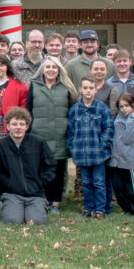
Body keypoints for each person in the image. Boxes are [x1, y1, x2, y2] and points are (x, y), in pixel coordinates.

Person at [27, 56, 76, 214]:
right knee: (39, 171)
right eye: (47, 67)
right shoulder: (34, 85)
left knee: (58, 172)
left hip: (60, 135)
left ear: (59, 70)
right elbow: (28, 111)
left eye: (54, 67)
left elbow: (72, 112)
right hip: (38, 136)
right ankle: (41, 201)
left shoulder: (66, 87)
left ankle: (55, 203)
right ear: (42, 69)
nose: (50, 70)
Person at [0, 107, 56, 225]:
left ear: (27, 126)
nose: (18, 127)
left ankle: (38, 207)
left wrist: (41, 182)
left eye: (22, 124)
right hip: (12, 194)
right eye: (14, 124)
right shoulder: (0, 145)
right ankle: (12, 208)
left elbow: (51, 165)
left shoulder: (38, 142)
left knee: (36, 221)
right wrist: (8, 183)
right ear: (7, 126)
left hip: (35, 194)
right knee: (12, 221)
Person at [68, 76, 113, 218]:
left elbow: (109, 128)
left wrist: (102, 144)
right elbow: (70, 131)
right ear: (80, 89)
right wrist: (73, 147)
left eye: (91, 88)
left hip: (98, 153)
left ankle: (100, 208)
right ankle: (89, 207)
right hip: (81, 152)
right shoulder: (75, 110)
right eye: (85, 88)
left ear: (95, 90)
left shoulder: (101, 108)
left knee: (99, 182)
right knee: (86, 183)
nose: (88, 91)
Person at [110, 92, 134, 215]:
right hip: (115, 159)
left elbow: (127, 139)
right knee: (117, 186)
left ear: (133, 105)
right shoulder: (117, 119)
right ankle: (126, 208)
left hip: (128, 159)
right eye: (121, 106)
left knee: (130, 186)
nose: (124, 109)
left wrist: (130, 122)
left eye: (126, 106)